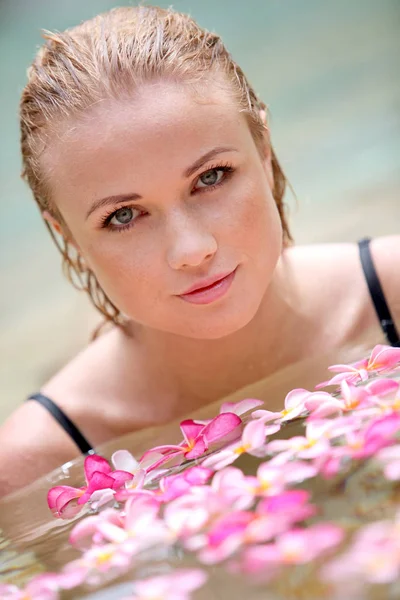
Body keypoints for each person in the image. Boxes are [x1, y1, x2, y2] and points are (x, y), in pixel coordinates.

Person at [0, 5, 399, 497]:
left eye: (211, 177)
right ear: (65, 234)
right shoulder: (33, 467)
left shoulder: (394, 296)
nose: (191, 250)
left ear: (263, 148)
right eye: (123, 215)